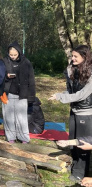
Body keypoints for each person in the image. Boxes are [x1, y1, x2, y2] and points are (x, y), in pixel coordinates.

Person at [48, 45, 92, 182]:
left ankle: (82, 172)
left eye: (75, 57)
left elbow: (81, 95)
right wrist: (59, 95)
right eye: (72, 56)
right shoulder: (71, 70)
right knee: (72, 140)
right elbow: (71, 92)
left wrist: (62, 98)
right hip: (73, 111)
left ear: (85, 57)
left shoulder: (91, 73)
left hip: (86, 113)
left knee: (83, 143)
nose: (72, 59)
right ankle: (74, 166)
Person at [2, 41, 36, 144]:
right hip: (7, 93)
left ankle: (23, 138)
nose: (12, 56)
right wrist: (6, 77)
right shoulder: (4, 62)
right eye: (10, 54)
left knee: (21, 118)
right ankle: (11, 137)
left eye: (15, 54)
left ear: (19, 52)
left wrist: (31, 96)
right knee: (8, 117)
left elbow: (31, 80)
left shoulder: (26, 63)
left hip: (22, 93)